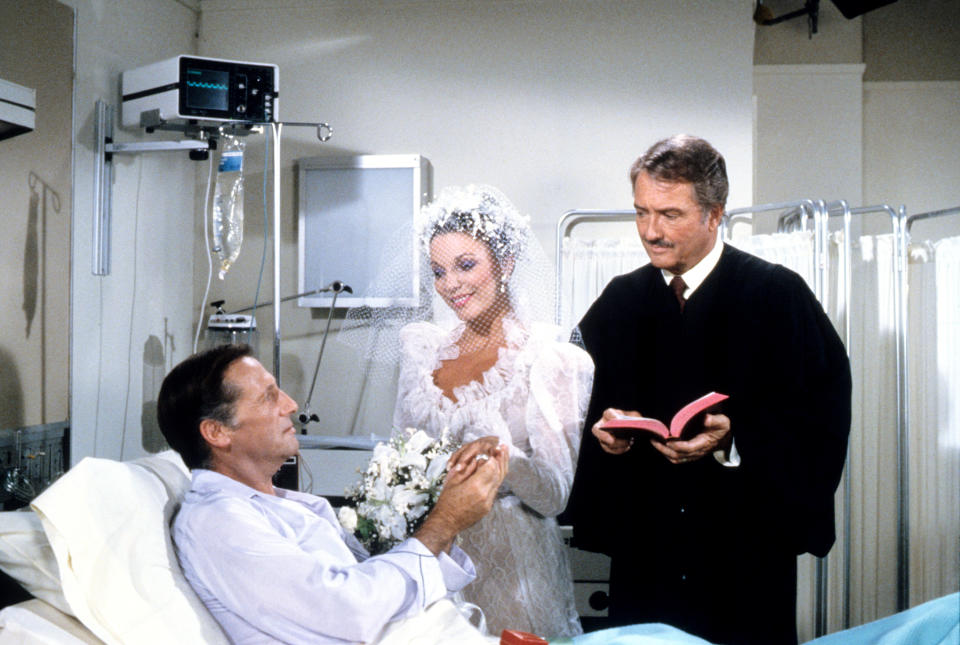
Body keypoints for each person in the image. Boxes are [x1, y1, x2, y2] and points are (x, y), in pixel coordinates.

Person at [564, 135, 851, 645]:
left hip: (743, 562)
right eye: (641, 212)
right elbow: (573, 400)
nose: (650, 231)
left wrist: (736, 439)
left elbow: (820, 417)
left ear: (714, 215)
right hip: (646, 556)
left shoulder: (776, 295)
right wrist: (603, 432)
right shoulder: (621, 299)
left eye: (670, 215)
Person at [347, 185, 594, 638]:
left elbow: (554, 495)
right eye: (439, 272)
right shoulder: (421, 351)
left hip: (513, 574)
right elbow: (404, 453)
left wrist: (501, 455)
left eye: (465, 265)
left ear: (506, 263)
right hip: (431, 566)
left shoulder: (551, 359)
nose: (450, 285)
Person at [156, 343, 509, 644]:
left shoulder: (275, 504)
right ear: (217, 432)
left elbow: (378, 589)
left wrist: (459, 488)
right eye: (268, 397)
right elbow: (351, 611)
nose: (291, 404)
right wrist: (445, 520)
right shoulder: (217, 523)